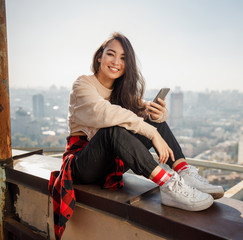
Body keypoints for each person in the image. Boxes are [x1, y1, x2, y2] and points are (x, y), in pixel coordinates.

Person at [49, 32, 224, 239]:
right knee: (113, 128)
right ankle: (169, 185)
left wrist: (158, 115)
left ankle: (184, 173)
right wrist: (152, 133)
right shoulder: (83, 85)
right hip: (82, 163)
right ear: (100, 57)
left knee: (154, 122)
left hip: (111, 164)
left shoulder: (123, 92)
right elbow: (104, 112)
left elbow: (145, 112)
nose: (116, 62)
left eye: (123, 58)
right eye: (111, 54)